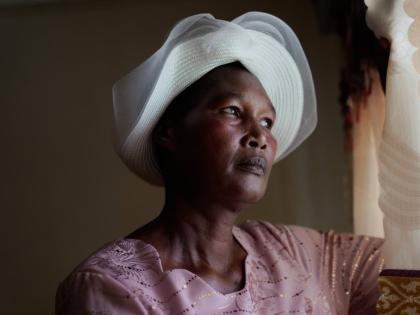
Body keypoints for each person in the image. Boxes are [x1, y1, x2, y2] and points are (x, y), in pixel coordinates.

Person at [55, 12, 384, 314]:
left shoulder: (299, 254)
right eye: (232, 111)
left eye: (268, 122)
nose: (259, 136)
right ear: (169, 132)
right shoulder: (112, 286)